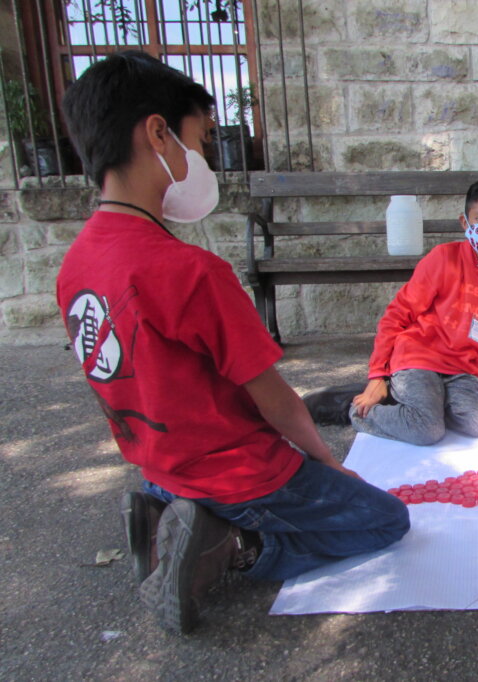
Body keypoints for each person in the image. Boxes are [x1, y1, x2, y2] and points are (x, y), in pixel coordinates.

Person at [56, 51, 409, 634]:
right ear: (157, 133)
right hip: (239, 474)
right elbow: (271, 398)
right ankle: (230, 545)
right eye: (201, 141)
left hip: (159, 465)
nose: (205, 159)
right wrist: (325, 460)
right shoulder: (188, 270)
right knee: (383, 521)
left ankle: (167, 511)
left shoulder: (75, 265)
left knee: (212, 491)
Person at [304, 176, 478, 444]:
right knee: (426, 431)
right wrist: (377, 375)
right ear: (465, 222)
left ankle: (410, 401)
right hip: (419, 357)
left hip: (464, 368)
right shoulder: (443, 259)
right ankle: (354, 408)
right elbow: (397, 316)